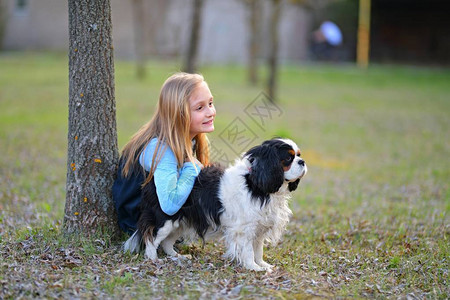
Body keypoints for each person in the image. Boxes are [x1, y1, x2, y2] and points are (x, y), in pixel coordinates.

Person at [112, 72, 216, 235]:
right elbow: (170, 204)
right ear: (179, 114)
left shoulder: (190, 140)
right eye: (200, 107)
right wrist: (192, 167)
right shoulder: (161, 148)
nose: (210, 112)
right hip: (142, 227)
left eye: (210, 103)